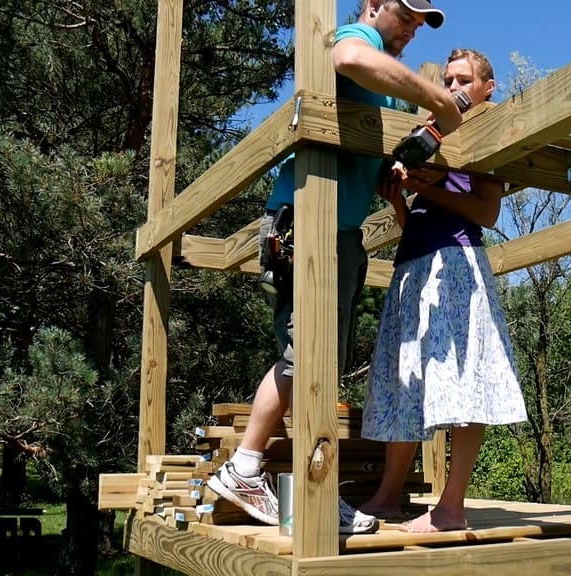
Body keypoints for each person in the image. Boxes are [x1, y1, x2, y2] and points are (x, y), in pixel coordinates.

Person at [207, 0, 463, 535]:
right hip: (309, 218)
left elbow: (368, 155)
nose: (415, 27)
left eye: (422, 23)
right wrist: (441, 98)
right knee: (308, 353)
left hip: (340, 228)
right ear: (373, 5)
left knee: (317, 358)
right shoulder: (355, 37)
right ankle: (256, 472)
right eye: (408, 14)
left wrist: (394, 170)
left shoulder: (387, 87)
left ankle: (273, 477)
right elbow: (346, 56)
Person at [359, 48, 528, 534]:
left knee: (463, 379)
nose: (453, 88)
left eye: (463, 80)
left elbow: (485, 213)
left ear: (486, 88)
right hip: (412, 264)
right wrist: (401, 204)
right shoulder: (430, 135)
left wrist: (422, 185)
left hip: (456, 265)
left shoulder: (489, 130)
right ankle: (389, 496)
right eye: (447, 80)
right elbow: (428, 213)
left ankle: (451, 508)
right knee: (405, 380)